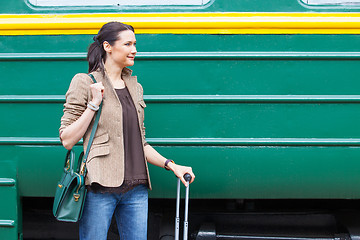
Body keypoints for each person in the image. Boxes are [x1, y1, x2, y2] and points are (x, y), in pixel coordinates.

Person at [59, 21, 195, 240]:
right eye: (128, 44)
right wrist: (93, 104)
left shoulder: (135, 87)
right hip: (100, 188)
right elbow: (67, 139)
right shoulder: (85, 82)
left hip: (136, 190)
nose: (134, 49)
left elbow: (140, 143)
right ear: (107, 46)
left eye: (135, 44)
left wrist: (171, 165)